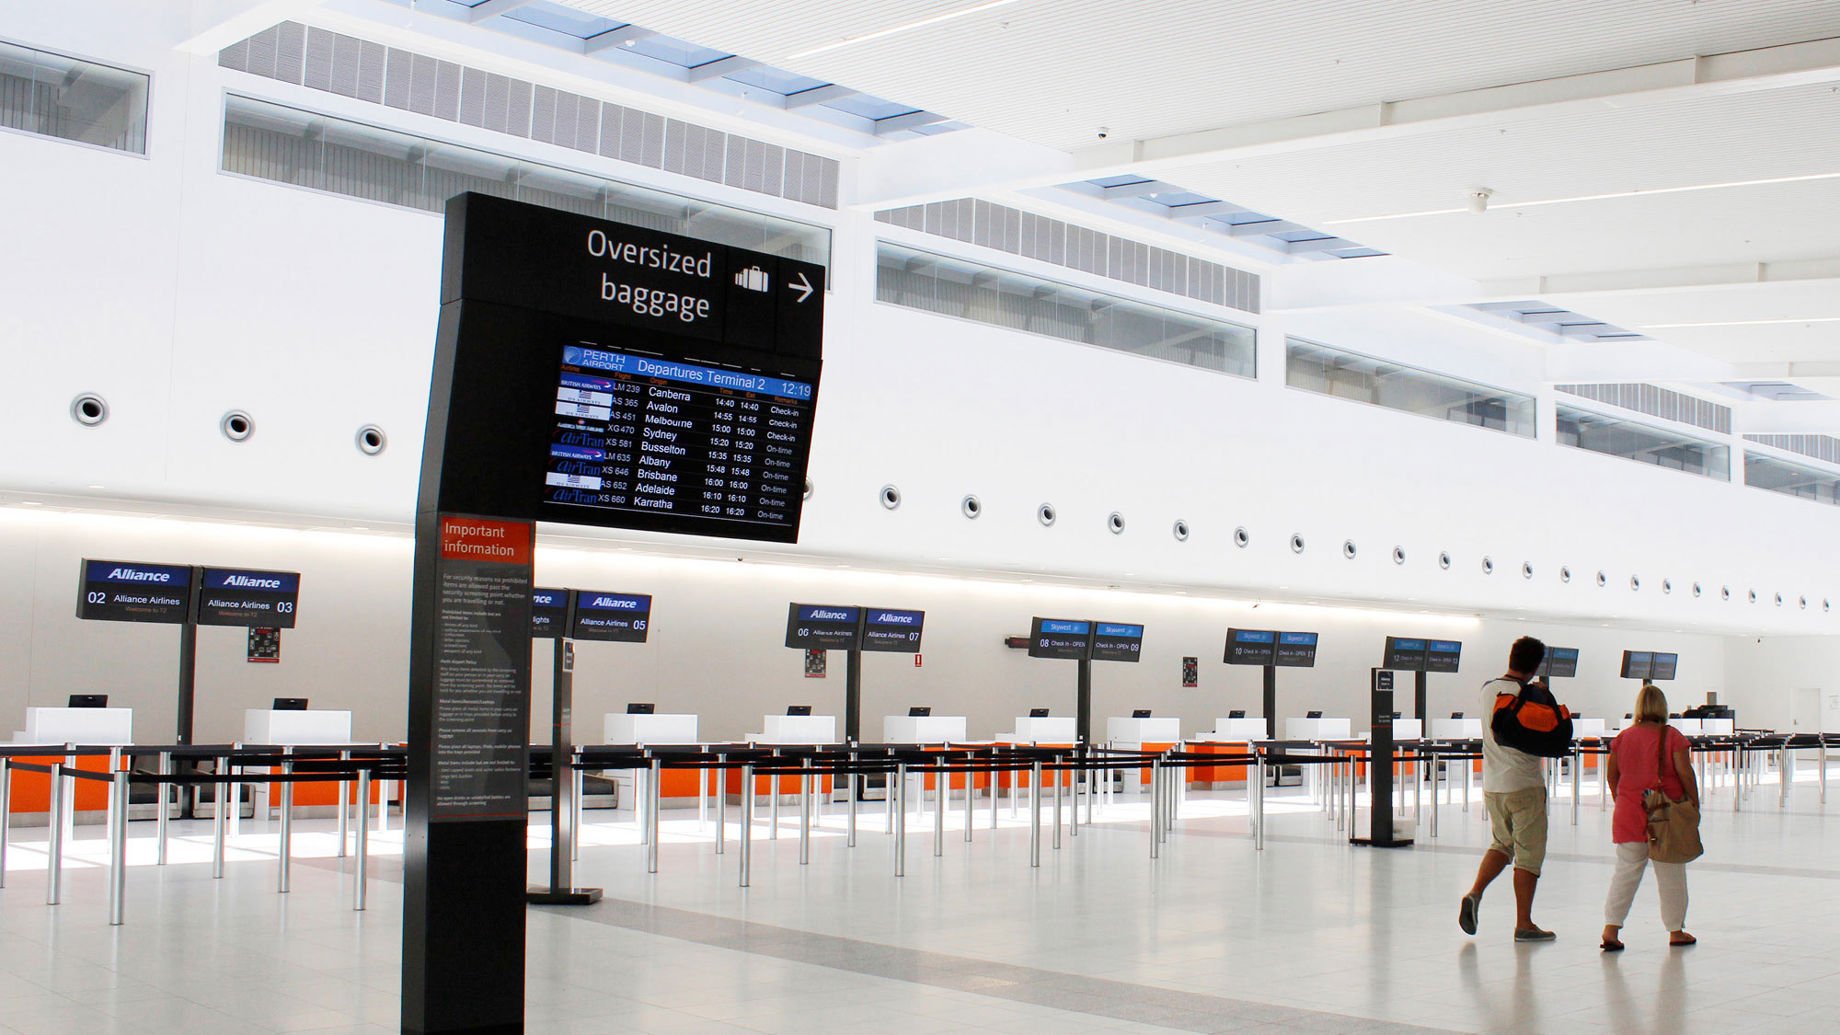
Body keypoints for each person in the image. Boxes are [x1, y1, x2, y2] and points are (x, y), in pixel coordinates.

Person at [1458, 636, 1554, 941]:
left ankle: (1475, 892)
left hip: (1494, 785)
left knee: (1501, 843)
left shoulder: (1488, 690)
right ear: (1536, 665)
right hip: (1524, 785)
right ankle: (1524, 922)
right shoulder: (1529, 694)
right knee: (1528, 854)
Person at [1600, 684, 1698, 951]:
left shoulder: (1623, 738)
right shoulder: (1672, 737)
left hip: (1629, 812)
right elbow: (1685, 773)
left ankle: (1611, 927)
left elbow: (1612, 776)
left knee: (1626, 872)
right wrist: (1693, 803)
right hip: (1665, 815)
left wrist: (1622, 800)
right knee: (1671, 873)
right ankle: (1675, 930)